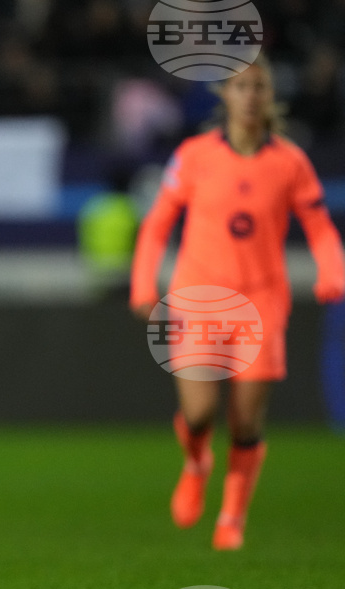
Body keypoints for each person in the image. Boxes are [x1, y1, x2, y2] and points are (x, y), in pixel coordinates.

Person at [130, 57, 345, 550]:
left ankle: (232, 517)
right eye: (242, 87)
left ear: (270, 97)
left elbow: (319, 226)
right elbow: (158, 223)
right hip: (198, 298)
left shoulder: (290, 162)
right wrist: (143, 285)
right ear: (225, 95)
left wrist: (333, 272)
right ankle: (196, 462)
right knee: (200, 413)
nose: (250, 96)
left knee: (246, 420)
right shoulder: (194, 156)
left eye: (259, 87)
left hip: (261, 301)